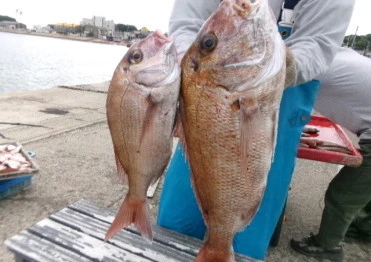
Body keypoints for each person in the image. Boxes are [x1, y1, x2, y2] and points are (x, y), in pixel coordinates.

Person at [157, 0, 371, 261]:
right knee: (174, 224)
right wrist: (199, 68)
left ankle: (222, 247)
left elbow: (318, 44)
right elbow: (185, 26)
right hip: (206, 100)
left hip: (282, 93)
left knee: (250, 238)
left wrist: (282, 65)